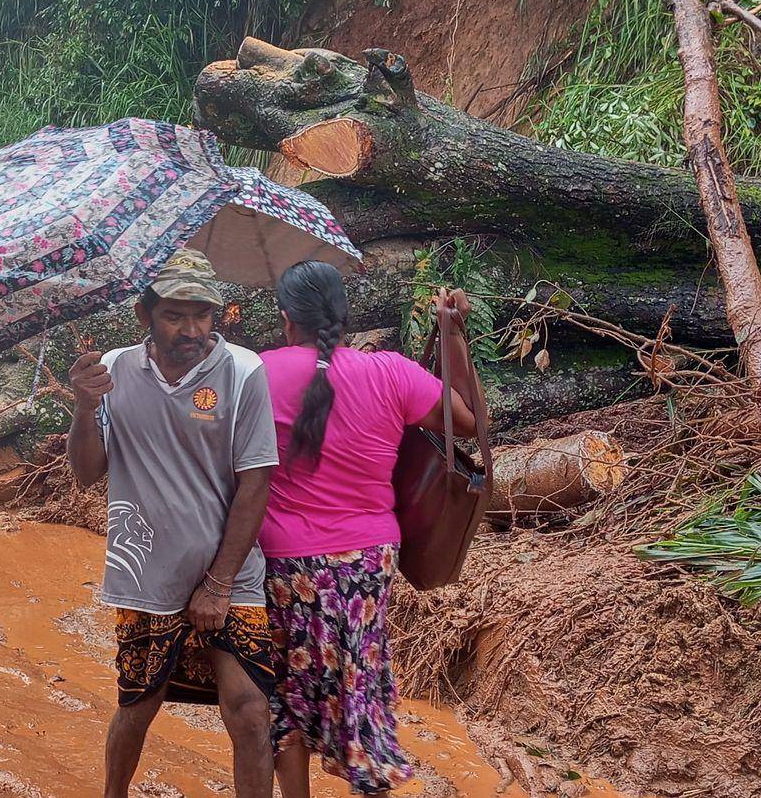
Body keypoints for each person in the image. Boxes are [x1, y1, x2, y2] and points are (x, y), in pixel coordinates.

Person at [257, 261, 478, 797]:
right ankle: (368, 776)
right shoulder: (391, 372)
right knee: (358, 679)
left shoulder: (256, 372)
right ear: (344, 314)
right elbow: (468, 420)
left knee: (288, 689)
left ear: (286, 318)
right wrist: (452, 335)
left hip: (285, 562)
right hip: (368, 561)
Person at [65, 249, 278, 798]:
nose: (191, 329)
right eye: (175, 315)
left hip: (231, 574)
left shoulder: (243, 371)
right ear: (145, 316)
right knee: (137, 706)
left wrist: (220, 582)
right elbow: (88, 472)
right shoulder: (111, 372)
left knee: (251, 712)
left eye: (203, 314)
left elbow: (256, 482)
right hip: (145, 575)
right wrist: (85, 409)